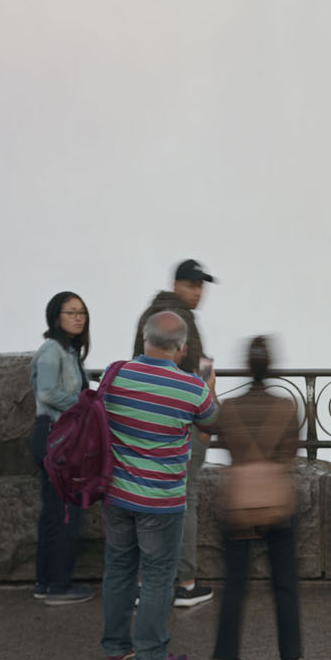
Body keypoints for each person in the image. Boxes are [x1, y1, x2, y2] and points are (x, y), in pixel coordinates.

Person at [99, 310, 219, 660]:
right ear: (181, 348)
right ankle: (150, 655)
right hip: (162, 499)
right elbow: (212, 423)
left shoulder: (115, 374)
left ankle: (116, 648)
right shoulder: (191, 388)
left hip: (117, 493)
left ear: (144, 340)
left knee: (119, 569)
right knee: (156, 575)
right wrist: (208, 383)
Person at [213, 337, 304, 660]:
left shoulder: (229, 407)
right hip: (277, 503)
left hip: (237, 504)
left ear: (247, 368)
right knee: (284, 586)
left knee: (234, 587)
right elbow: (292, 451)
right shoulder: (286, 407)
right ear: (272, 368)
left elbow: (223, 445)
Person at [133, 259, 216, 609]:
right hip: (180, 424)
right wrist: (207, 401)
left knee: (146, 495)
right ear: (177, 284)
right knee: (185, 497)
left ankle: (144, 582)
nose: (198, 293)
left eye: (201, 287)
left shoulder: (151, 314)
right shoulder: (181, 317)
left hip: (147, 421)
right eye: (193, 285)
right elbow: (194, 370)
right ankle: (184, 582)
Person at [28, 291, 94, 605]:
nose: (78, 317)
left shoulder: (70, 353)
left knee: (54, 513)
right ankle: (58, 585)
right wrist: (85, 404)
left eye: (81, 312)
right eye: (71, 312)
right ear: (56, 317)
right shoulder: (52, 351)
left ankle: (45, 582)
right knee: (67, 512)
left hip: (56, 436)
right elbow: (47, 393)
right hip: (56, 436)